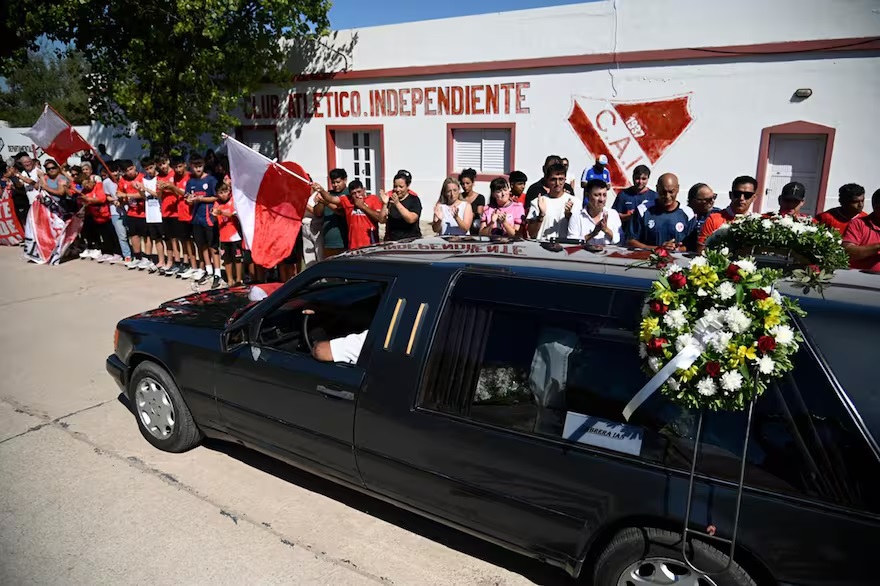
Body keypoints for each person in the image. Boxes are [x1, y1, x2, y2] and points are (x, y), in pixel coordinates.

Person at [626, 173, 694, 252]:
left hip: (677, 263)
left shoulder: (688, 213)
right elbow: (630, 241)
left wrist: (676, 249)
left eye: (671, 192)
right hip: (646, 261)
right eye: (663, 192)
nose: (667, 196)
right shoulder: (643, 210)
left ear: (678, 189)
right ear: (657, 189)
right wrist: (658, 249)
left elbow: (691, 246)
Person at [317, 179, 385, 250]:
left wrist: (363, 207)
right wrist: (321, 190)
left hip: (370, 244)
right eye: (354, 193)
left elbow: (380, 218)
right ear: (350, 194)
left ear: (364, 190)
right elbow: (331, 199)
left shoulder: (372, 199)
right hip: (353, 245)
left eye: (359, 192)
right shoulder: (347, 200)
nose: (357, 195)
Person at [697, 175, 759, 253]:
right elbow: (701, 251)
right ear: (730, 195)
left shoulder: (756, 224)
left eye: (747, 195)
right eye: (737, 194)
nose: (741, 198)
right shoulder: (713, 220)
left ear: (754, 198)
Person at [186, 155, 221, 287]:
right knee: (202, 246)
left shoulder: (211, 180)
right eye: (195, 167)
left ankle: (217, 273)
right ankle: (208, 270)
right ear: (191, 167)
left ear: (204, 165)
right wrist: (189, 201)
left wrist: (200, 199)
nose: (198, 169)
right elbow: (188, 197)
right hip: (196, 218)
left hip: (209, 218)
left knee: (213, 246)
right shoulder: (191, 182)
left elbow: (215, 197)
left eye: (200, 166)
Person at [526, 163, 579, 241]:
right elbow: (531, 233)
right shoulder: (538, 202)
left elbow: (578, 233)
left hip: (565, 249)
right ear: (547, 180)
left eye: (560, 179)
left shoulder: (575, 202)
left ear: (565, 180)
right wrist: (541, 215)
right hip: (542, 248)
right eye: (553, 179)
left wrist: (568, 216)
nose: (557, 183)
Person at [567, 178, 622, 246]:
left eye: (604, 195)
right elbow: (571, 243)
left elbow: (621, 241)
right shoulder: (577, 216)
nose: (601, 199)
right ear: (587, 196)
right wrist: (593, 234)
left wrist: (606, 230)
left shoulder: (613, 214)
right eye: (597, 195)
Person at [117, 159, 148, 269]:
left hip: (144, 212)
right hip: (131, 212)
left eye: (131, 169)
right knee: (134, 235)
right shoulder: (122, 180)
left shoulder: (142, 177)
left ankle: (147, 257)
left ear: (134, 167)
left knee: (146, 236)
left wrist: (127, 195)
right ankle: (138, 257)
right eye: (127, 171)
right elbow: (118, 193)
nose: (130, 172)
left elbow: (143, 194)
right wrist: (122, 197)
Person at [77, 176, 117, 261]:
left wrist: (89, 200)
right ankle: (104, 251)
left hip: (104, 215)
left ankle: (112, 252)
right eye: (84, 185)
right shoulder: (84, 191)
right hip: (95, 216)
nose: (87, 186)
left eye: (87, 183)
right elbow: (82, 201)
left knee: (108, 235)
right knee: (100, 235)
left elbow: (101, 199)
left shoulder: (98, 186)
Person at [136, 157, 164, 272]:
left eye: (151, 168)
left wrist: (145, 188)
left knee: (166, 239)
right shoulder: (144, 179)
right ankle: (161, 261)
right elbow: (144, 197)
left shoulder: (159, 178)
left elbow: (158, 194)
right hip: (150, 214)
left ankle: (173, 261)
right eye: (147, 169)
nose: (149, 171)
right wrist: (140, 190)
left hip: (160, 212)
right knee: (156, 239)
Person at [313, 168, 349, 258]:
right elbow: (317, 213)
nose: (335, 185)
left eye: (338, 182)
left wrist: (326, 201)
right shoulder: (327, 194)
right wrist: (321, 200)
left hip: (344, 241)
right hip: (328, 242)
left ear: (345, 180)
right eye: (333, 183)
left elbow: (340, 211)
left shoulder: (349, 194)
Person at [212, 182, 243, 286]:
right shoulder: (217, 203)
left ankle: (239, 279)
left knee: (237, 259)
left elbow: (233, 215)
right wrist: (214, 214)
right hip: (224, 237)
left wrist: (221, 213)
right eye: (221, 192)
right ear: (217, 194)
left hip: (235, 236)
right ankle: (230, 280)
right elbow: (214, 214)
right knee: (227, 260)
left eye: (225, 191)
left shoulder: (233, 201)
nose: (224, 194)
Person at [842, 189, 880, 272]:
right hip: (862, 280)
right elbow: (847, 253)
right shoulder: (858, 224)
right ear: (877, 207)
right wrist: (877, 247)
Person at [155, 156, 182, 275]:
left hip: (176, 211)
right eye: (160, 165)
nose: (163, 167)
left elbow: (180, 191)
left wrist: (170, 187)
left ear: (168, 161)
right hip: (165, 211)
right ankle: (170, 261)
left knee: (176, 239)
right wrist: (161, 188)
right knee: (168, 239)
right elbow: (158, 195)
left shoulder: (174, 174)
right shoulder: (159, 177)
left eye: (164, 163)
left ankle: (179, 261)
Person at [103, 161, 131, 264]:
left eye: (116, 171)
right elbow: (107, 196)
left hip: (129, 210)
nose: (114, 173)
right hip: (115, 212)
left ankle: (137, 254)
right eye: (112, 171)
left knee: (132, 234)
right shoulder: (106, 182)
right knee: (121, 235)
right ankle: (127, 254)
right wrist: (113, 200)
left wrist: (124, 200)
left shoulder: (124, 180)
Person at [383, 170, 422, 241]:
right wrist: (384, 204)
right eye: (395, 186)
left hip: (410, 241)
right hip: (392, 241)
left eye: (401, 187)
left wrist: (397, 204)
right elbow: (382, 220)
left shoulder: (414, 200)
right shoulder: (390, 199)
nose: (397, 189)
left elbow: (411, 219)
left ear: (407, 186)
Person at [683, 183, 721, 252]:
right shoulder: (684, 215)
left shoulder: (718, 214)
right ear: (695, 201)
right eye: (708, 199)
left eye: (714, 197)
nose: (712, 201)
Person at [300, 185, 324, 267]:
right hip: (304, 225)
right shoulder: (303, 196)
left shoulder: (318, 195)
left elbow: (317, 213)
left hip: (315, 225)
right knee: (308, 256)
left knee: (319, 253)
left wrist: (304, 204)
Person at [459, 168, 485, 235]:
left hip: (474, 228)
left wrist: (469, 215)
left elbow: (479, 214)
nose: (465, 186)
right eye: (462, 184)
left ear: (473, 183)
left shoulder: (480, 198)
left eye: (468, 183)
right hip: (461, 227)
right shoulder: (459, 197)